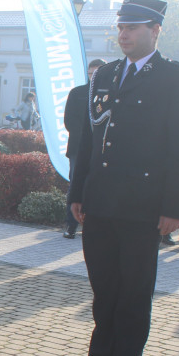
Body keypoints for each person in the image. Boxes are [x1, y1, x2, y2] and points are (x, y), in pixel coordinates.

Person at [66, 0, 179, 356]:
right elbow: (88, 138)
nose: (123, 34)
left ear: (154, 31)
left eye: (132, 27)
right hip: (101, 200)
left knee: (134, 290)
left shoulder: (176, 78)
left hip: (143, 205)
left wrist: (175, 207)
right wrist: (78, 192)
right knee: (104, 288)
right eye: (121, 27)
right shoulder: (105, 75)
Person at [63, 59, 106, 238]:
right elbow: (69, 120)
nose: (94, 76)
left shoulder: (110, 95)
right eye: (91, 73)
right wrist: (86, 138)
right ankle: (70, 226)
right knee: (76, 184)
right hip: (78, 149)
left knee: (100, 186)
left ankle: (94, 226)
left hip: (103, 150)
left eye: (98, 73)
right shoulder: (77, 93)